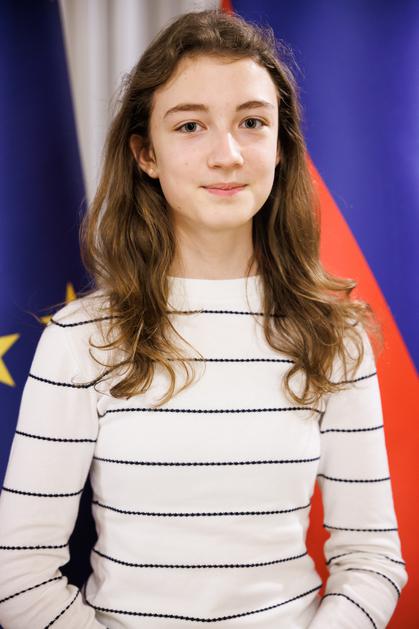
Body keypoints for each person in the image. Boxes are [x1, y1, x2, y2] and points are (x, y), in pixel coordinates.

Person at [0, 8, 408, 628]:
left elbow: (372, 558)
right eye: (191, 125)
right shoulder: (81, 339)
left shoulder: (336, 336)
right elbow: (18, 575)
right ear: (146, 153)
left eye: (252, 122)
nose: (228, 154)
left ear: (280, 145)